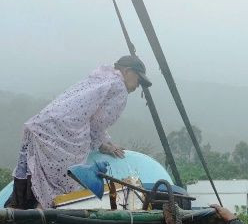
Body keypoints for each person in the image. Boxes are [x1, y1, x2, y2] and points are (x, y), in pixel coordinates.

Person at [8, 55, 151, 209]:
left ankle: (10, 215)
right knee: (58, 191)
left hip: (41, 125)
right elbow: (97, 124)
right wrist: (104, 145)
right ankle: (43, 217)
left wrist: (104, 141)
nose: (138, 86)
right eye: (138, 80)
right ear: (128, 71)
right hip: (63, 134)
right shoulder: (119, 87)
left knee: (28, 186)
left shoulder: (102, 75)